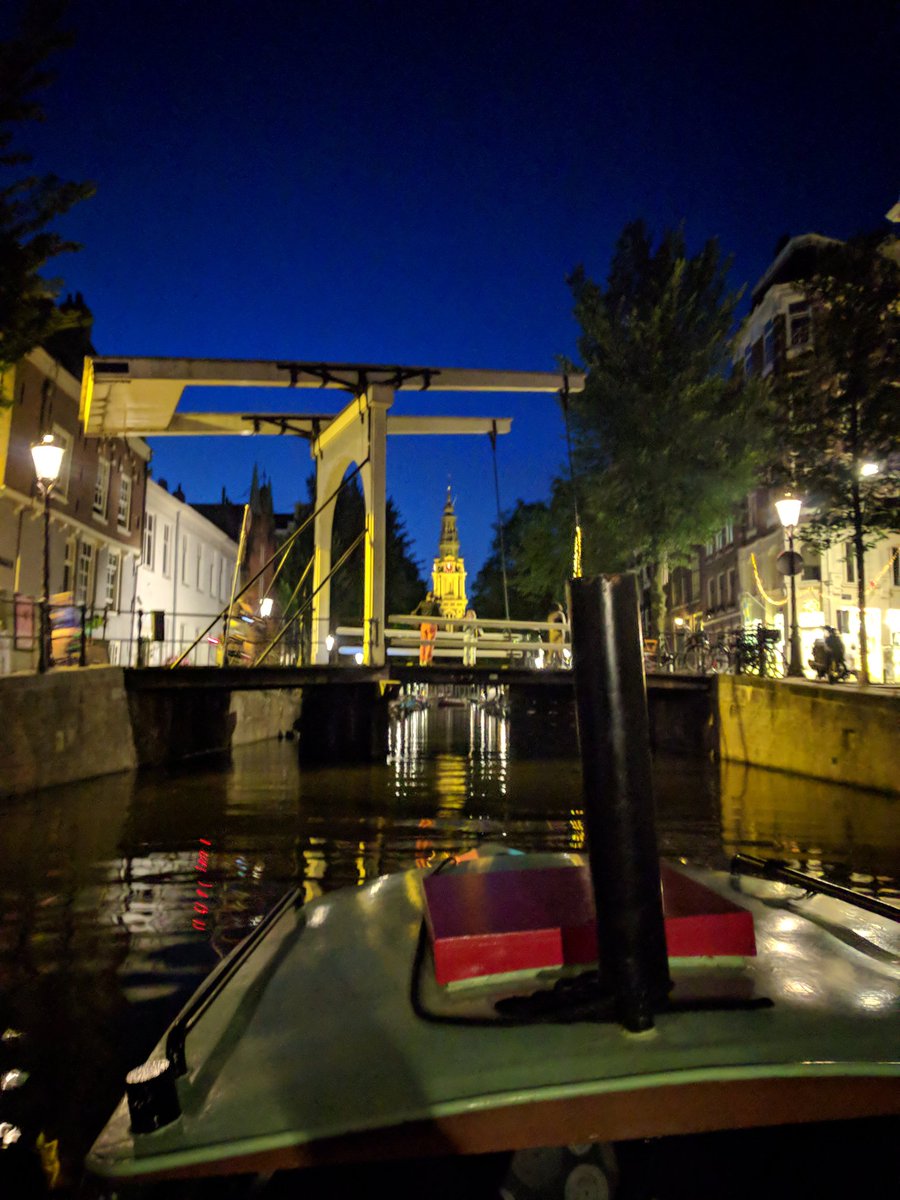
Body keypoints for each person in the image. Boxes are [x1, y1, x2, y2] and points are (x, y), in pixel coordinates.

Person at [413, 591, 439, 666]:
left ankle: (421, 660)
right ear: (433, 598)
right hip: (432, 624)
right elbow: (440, 614)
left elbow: (415, 612)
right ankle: (427, 660)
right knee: (430, 643)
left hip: (423, 624)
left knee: (423, 643)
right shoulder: (434, 605)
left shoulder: (422, 603)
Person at [546, 601, 566, 667]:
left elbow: (549, 627)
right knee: (560, 653)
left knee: (550, 653)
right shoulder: (560, 614)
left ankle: (547, 666)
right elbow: (563, 626)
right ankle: (561, 666)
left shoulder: (550, 616)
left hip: (552, 634)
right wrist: (562, 635)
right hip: (559, 634)